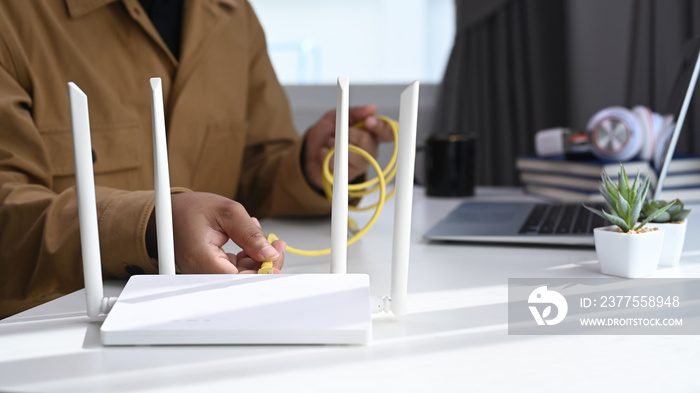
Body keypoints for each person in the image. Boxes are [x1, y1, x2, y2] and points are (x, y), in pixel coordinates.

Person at [0, 0, 394, 318]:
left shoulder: (233, 14)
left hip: (215, 324)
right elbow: (8, 211)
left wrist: (308, 168)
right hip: (57, 340)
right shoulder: (14, 19)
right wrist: (154, 226)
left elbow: (257, 165)